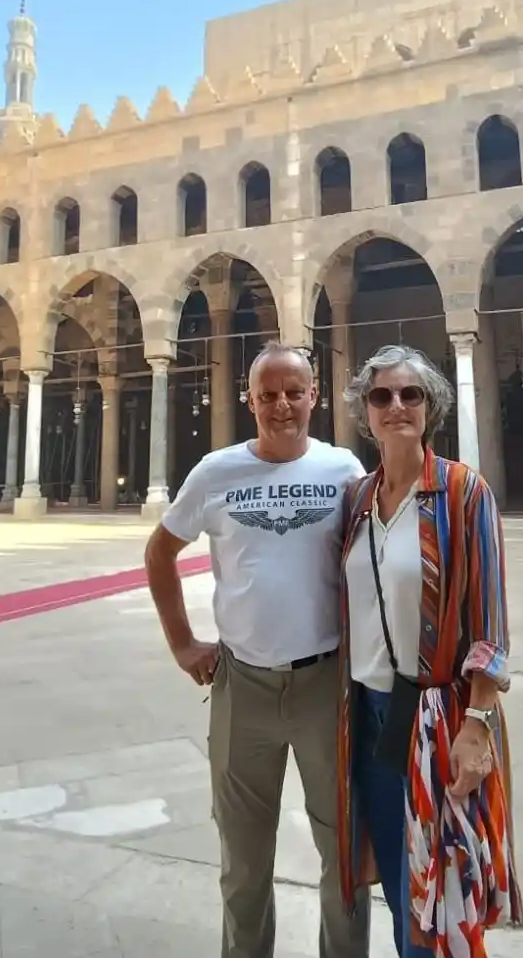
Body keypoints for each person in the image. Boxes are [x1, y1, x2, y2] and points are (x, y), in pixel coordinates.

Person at [144, 340, 371, 958]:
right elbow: (159, 552)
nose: (282, 405)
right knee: (243, 862)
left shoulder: (343, 471)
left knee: (343, 853)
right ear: (250, 402)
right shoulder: (216, 473)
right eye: (267, 395)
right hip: (243, 687)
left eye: (294, 392)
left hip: (324, 684)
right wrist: (184, 644)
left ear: (314, 396)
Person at [335, 344, 523, 957]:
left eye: (410, 394)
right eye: (382, 396)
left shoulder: (463, 493)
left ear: (430, 406)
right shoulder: (357, 500)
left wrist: (478, 723)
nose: (397, 406)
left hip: (436, 720)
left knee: (441, 886)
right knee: (397, 880)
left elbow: (489, 624)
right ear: (366, 411)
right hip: (366, 716)